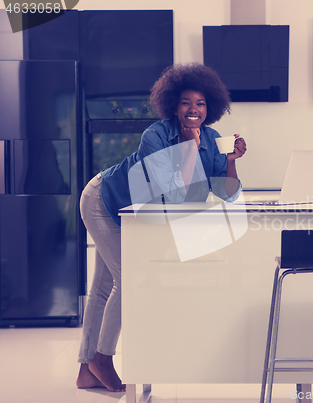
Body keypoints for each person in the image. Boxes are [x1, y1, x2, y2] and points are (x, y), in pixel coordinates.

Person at [76, 63, 247, 392]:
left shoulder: (212, 139)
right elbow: (176, 194)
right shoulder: (155, 135)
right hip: (103, 199)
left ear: (209, 107)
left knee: (103, 286)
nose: (193, 109)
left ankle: (86, 369)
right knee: (126, 280)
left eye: (200, 103)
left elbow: (227, 193)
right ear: (173, 104)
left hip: (129, 211)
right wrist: (189, 148)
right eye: (185, 102)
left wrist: (230, 161)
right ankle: (102, 358)